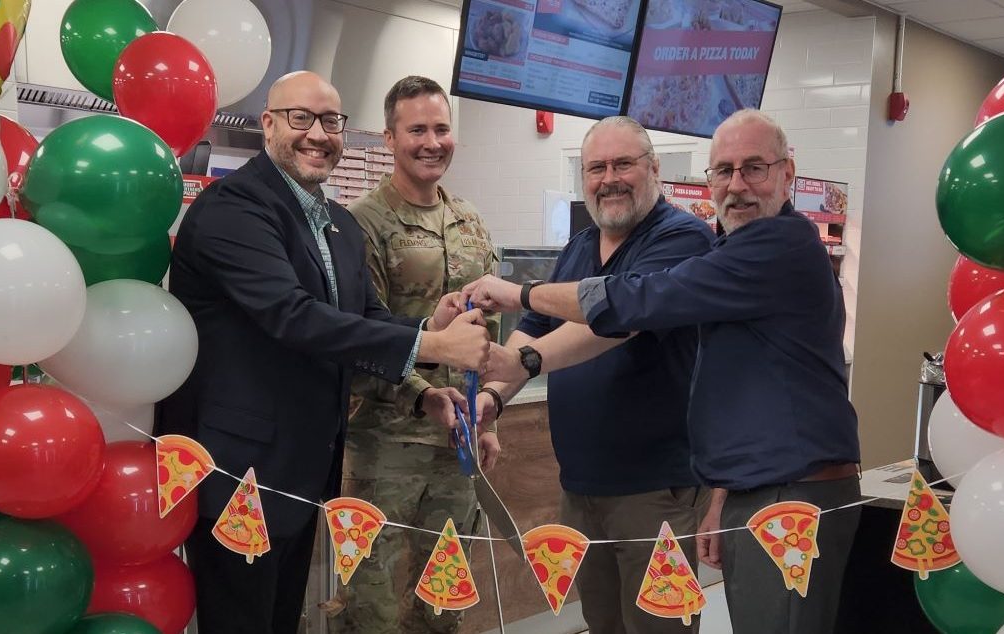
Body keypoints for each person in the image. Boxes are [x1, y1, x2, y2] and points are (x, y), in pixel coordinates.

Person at [463, 109, 862, 634]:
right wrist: (494, 391)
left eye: (754, 168)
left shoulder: (770, 245)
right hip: (745, 485)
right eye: (723, 171)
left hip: (781, 492)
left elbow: (637, 303)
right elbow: (732, 391)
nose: (736, 186)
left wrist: (519, 299)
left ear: (787, 172)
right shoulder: (731, 249)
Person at [155, 70, 490, 634]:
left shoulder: (336, 222)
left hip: (303, 467)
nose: (318, 134)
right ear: (268, 124)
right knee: (241, 621)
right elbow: (292, 315)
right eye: (301, 118)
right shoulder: (233, 208)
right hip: (239, 474)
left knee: (281, 618)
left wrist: (429, 326)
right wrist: (431, 344)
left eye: (331, 121)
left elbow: (365, 317)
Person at [475, 116, 714, 634]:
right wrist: (493, 394)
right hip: (580, 487)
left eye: (623, 164)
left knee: (659, 628)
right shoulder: (581, 245)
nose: (610, 179)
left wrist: (525, 353)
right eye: (596, 168)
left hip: (655, 490)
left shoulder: (683, 238)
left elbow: (617, 319)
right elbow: (535, 326)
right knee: (601, 622)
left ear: (654, 169)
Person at [331, 75, 500, 634]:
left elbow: (488, 336)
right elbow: (358, 340)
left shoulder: (470, 221)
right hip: (384, 448)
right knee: (369, 605)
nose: (432, 142)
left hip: (457, 448)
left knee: (442, 602)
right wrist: (425, 395)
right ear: (389, 138)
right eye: (417, 130)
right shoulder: (360, 223)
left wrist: (489, 418)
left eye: (442, 129)